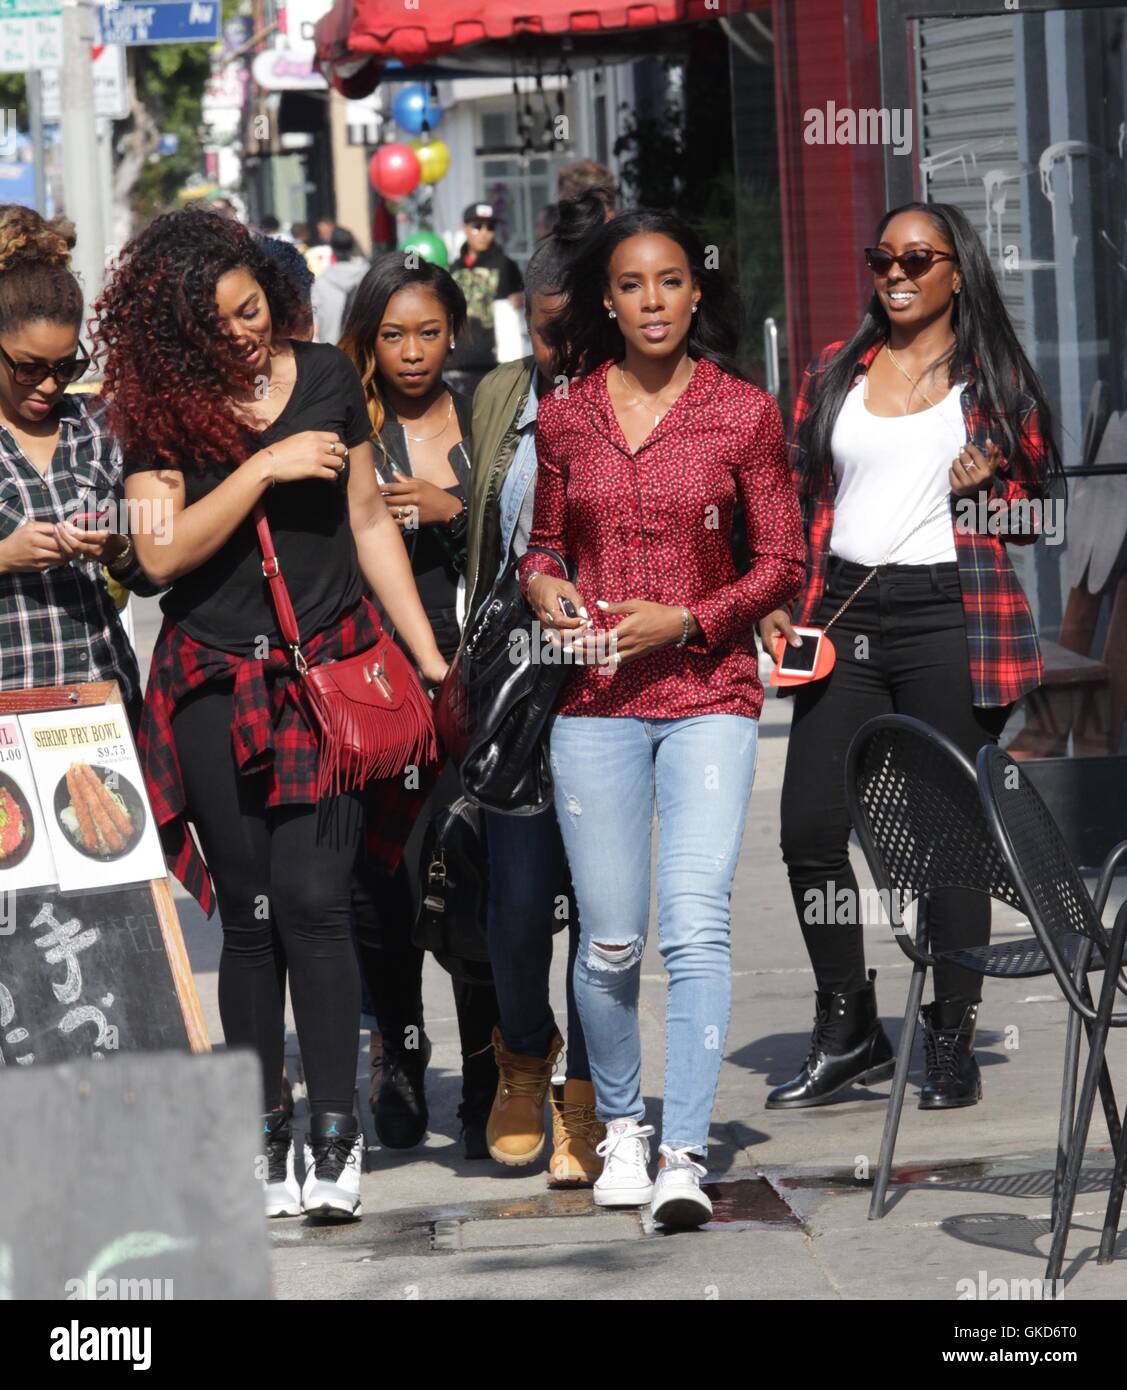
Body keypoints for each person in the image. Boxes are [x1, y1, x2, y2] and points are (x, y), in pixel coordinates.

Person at [96, 211, 449, 1221]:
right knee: (248, 921)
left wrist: (428, 662)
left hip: (323, 677)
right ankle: (262, 1128)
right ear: (177, 335)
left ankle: (333, 1136)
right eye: (220, 325)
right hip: (211, 683)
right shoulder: (160, 412)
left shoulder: (330, 382)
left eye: (252, 309)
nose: (245, 335)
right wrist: (261, 465)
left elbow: (371, 520)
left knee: (314, 901)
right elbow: (156, 558)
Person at [519, 211, 805, 1226]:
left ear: (695, 293)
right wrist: (545, 589)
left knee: (693, 929)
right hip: (593, 703)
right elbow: (541, 545)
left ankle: (683, 1150)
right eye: (632, 285)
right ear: (608, 298)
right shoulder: (564, 417)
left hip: (707, 700)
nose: (651, 301)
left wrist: (687, 617)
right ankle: (624, 1131)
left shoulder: (743, 413)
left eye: (669, 282)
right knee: (606, 946)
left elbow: (782, 559)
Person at [762, 201, 1060, 1112]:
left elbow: (1033, 519)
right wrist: (776, 597)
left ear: (956, 272)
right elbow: (795, 492)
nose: (894, 273)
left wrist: (988, 489)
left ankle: (950, 1035)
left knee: (946, 843)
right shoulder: (835, 372)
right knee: (809, 830)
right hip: (845, 613)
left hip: (945, 614)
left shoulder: (993, 379)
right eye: (881, 256)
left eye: (917, 258)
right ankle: (847, 1023)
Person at [339, 253, 501, 1159]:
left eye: (429, 333)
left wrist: (452, 509)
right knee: (384, 883)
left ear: (456, 332)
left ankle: (487, 1081)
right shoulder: (349, 419)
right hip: (374, 679)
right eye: (392, 334)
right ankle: (397, 1053)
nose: (412, 353)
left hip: (476, 676)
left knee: (472, 873)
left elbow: (532, 526)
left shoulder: (486, 415)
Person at [464, 193, 606, 1185]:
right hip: (520, 675)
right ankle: (523, 1059)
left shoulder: (642, 393)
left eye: (564, 332)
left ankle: (588, 1096)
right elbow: (488, 540)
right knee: (515, 903)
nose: (549, 350)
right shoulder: (502, 396)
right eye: (535, 329)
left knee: (604, 908)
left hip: (620, 674)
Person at [0, 206, 157, 722]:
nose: (48, 384)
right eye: (28, 367)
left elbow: (156, 551)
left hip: (102, 705)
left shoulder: (100, 425)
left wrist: (118, 547)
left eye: (65, 367)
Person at [447, 202, 524, 399]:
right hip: (459, 362)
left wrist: (522, 299)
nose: (484, 233)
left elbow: (524, 301)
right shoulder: (454, 269)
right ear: (464, 228)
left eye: (490, 227)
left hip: (496, 362)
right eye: (477, 226)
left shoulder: (506, 265)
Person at [311, 227, 369, 346]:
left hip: (331, 351)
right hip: (361, 348)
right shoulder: (367, 275)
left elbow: (315, 324)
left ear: (331, 248)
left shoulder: (321, 282)